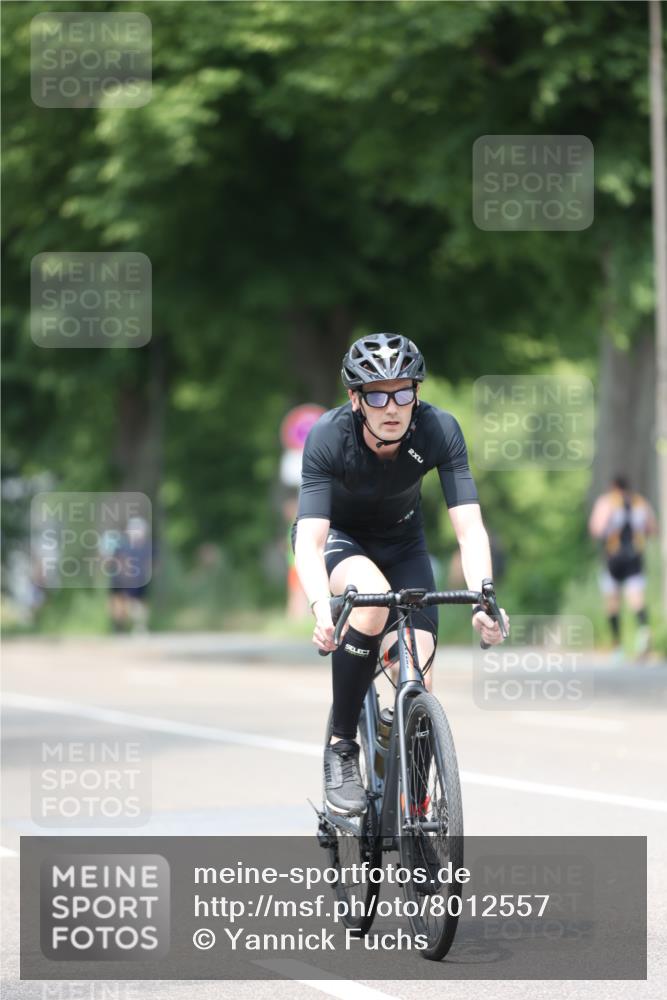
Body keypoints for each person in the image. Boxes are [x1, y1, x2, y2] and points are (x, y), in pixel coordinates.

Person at [292, 333, 509, 815]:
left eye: (404, 392)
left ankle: (413, 803)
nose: (392, 407)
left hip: (404, 544)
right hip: (341, 540)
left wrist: (483, 598)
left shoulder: (438, 430)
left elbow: (470, 530)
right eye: (377, 394)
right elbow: (309, 540)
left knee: (419, 675)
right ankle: (343, 746)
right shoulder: (329, 436)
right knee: (369, 600)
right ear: (356, 399)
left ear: (417, 392)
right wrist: (318, 609)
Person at [588, 475, 657, 659]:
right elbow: (652, 529)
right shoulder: (640, 502)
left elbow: (596, 529)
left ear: (613, 486)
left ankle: (617, 646)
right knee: (637, 599)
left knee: (612, 602)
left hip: (613, 558)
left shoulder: (606, 502)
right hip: (635, 557)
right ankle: (644, 633)